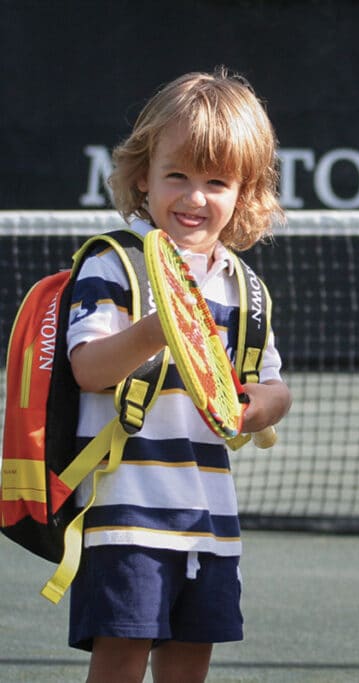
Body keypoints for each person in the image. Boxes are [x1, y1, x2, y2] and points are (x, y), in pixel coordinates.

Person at [66, 68, 292, 683]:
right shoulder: (116, 264)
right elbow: (87, 369)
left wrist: (256, 409)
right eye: (178, 177)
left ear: (244, 194)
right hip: (124, 515)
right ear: (144, 176)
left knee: (191, 662)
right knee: (119, 660)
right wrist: (159, 326)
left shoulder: (244, 289)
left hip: (210, 523)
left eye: (216, 182)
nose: (195, 197)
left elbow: (273, 385)